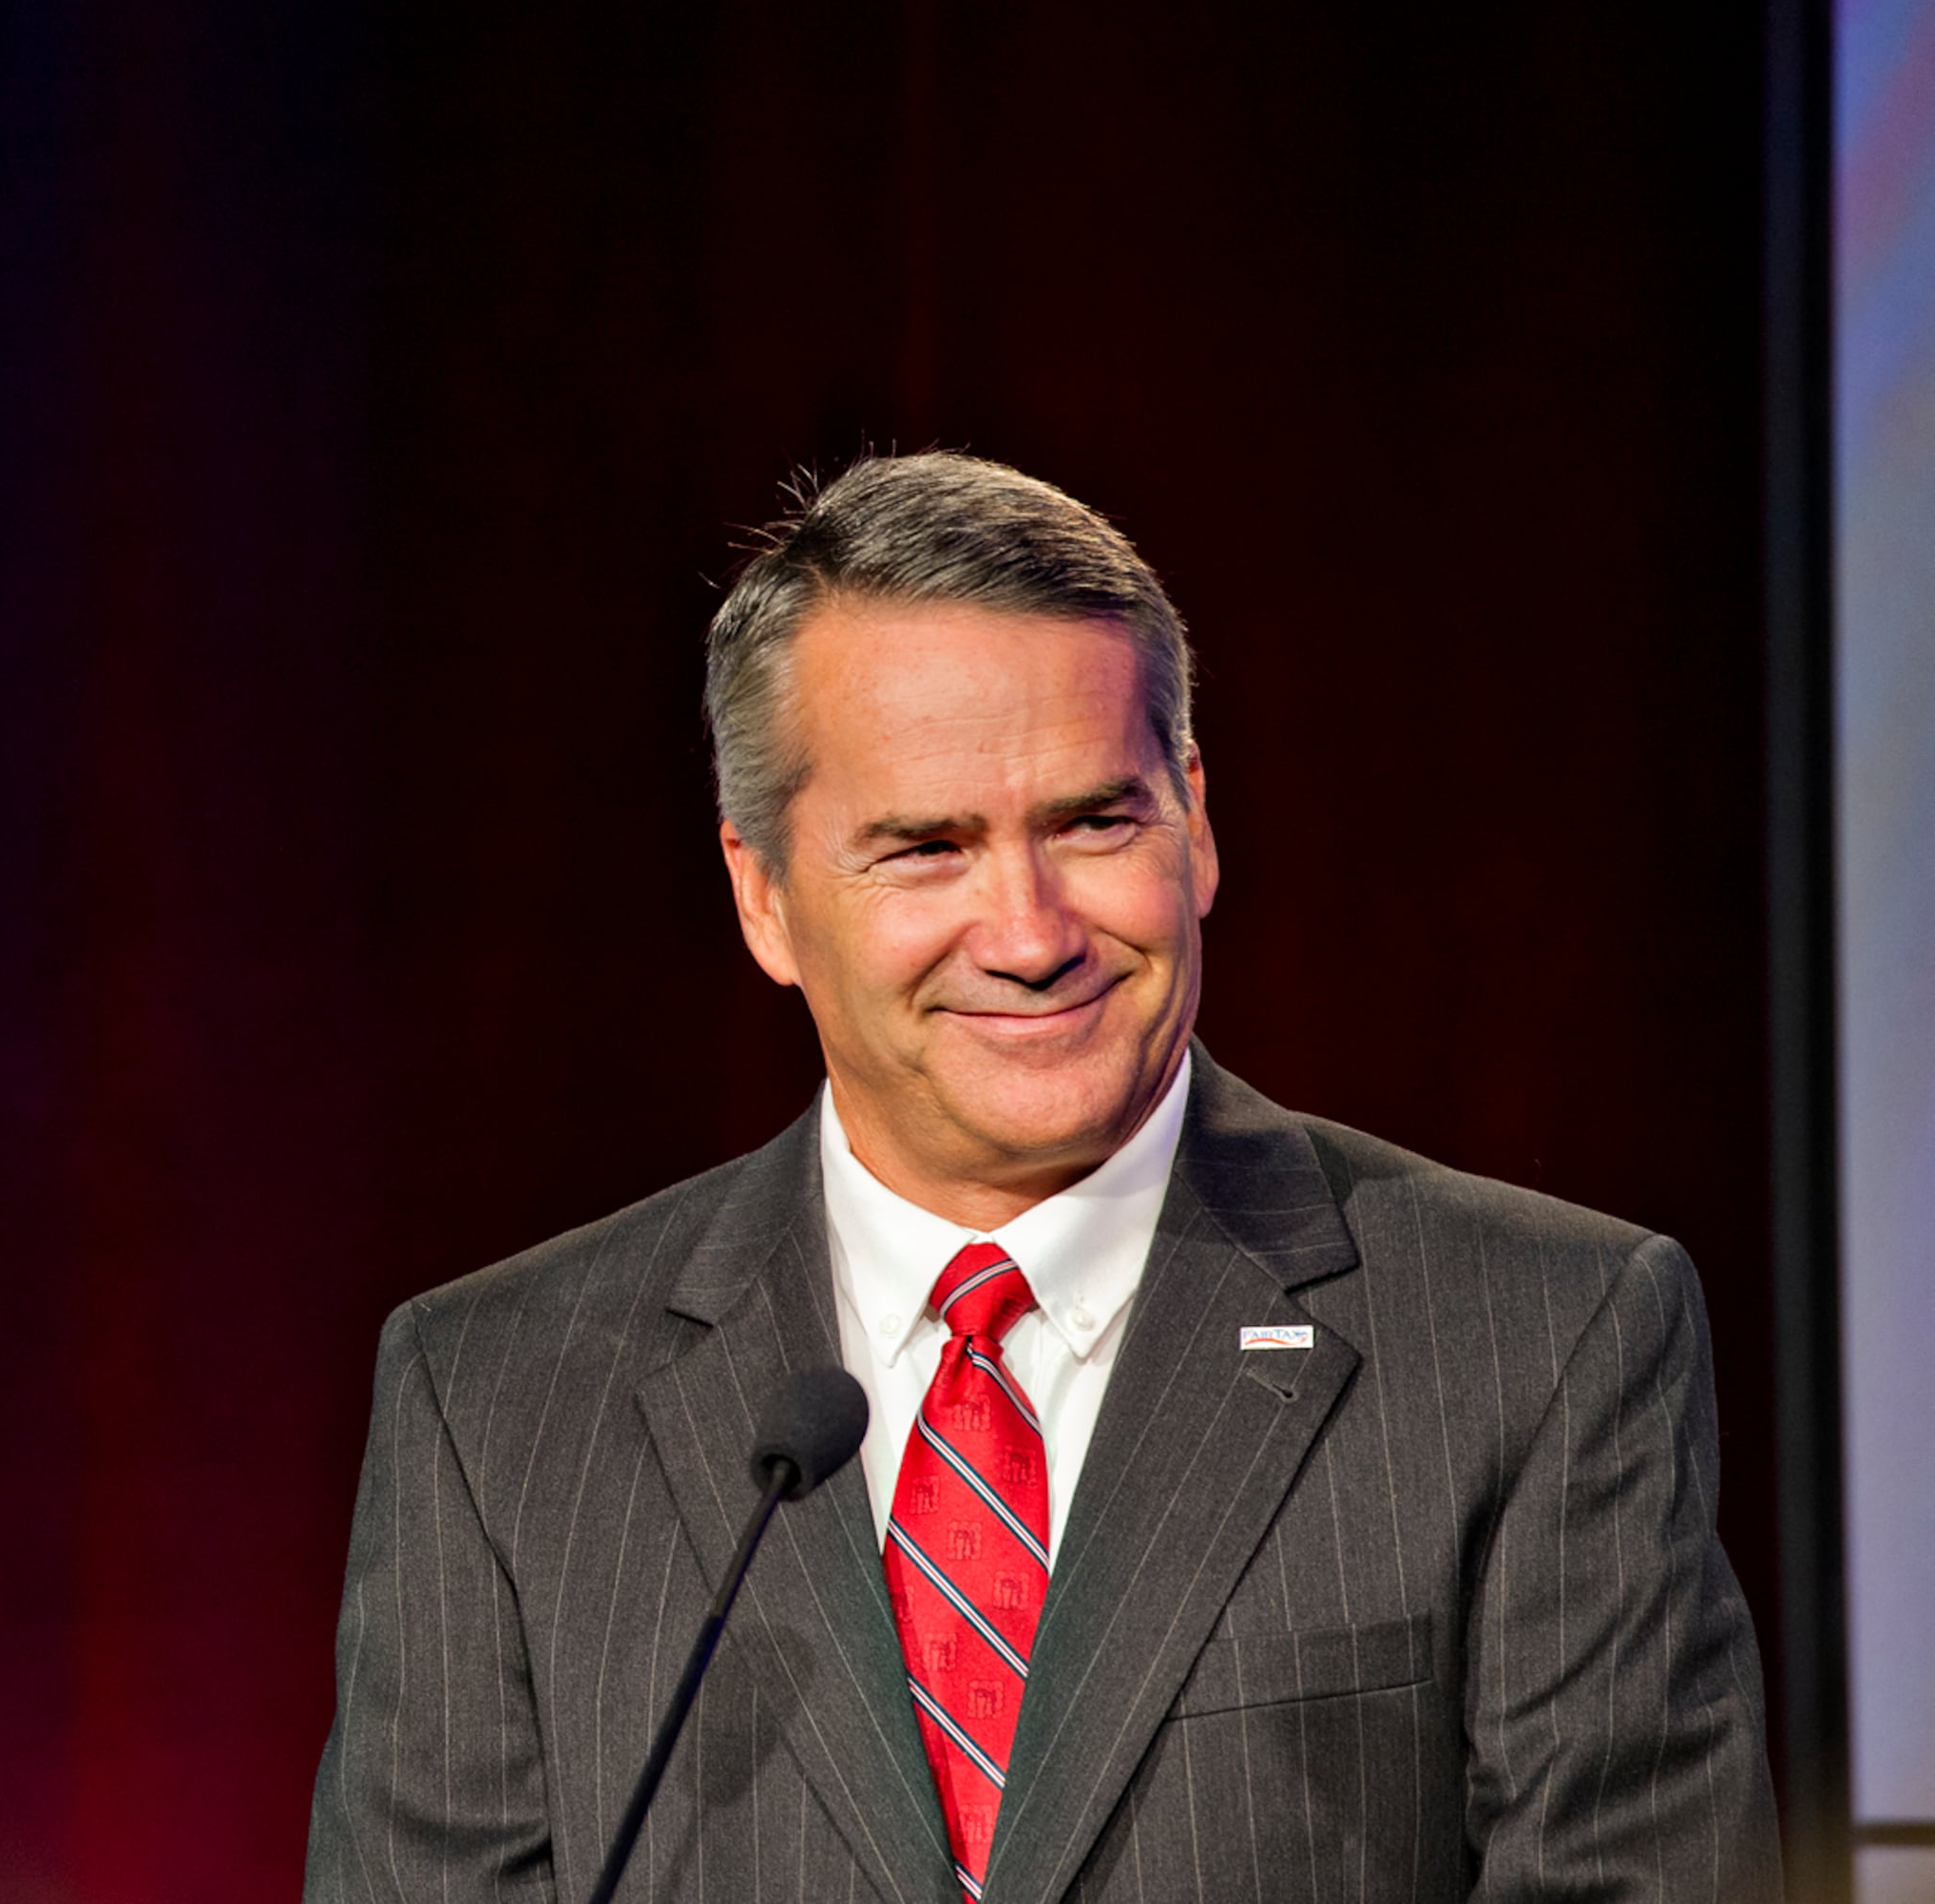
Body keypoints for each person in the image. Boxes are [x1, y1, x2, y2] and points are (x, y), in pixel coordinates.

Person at [303, 452, 1777, 1904]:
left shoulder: (1539, 1337)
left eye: (1093, 821)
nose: (1029, 930)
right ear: (763, 893)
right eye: (925, 848)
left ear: (1194, 821)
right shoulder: (493, 1403)